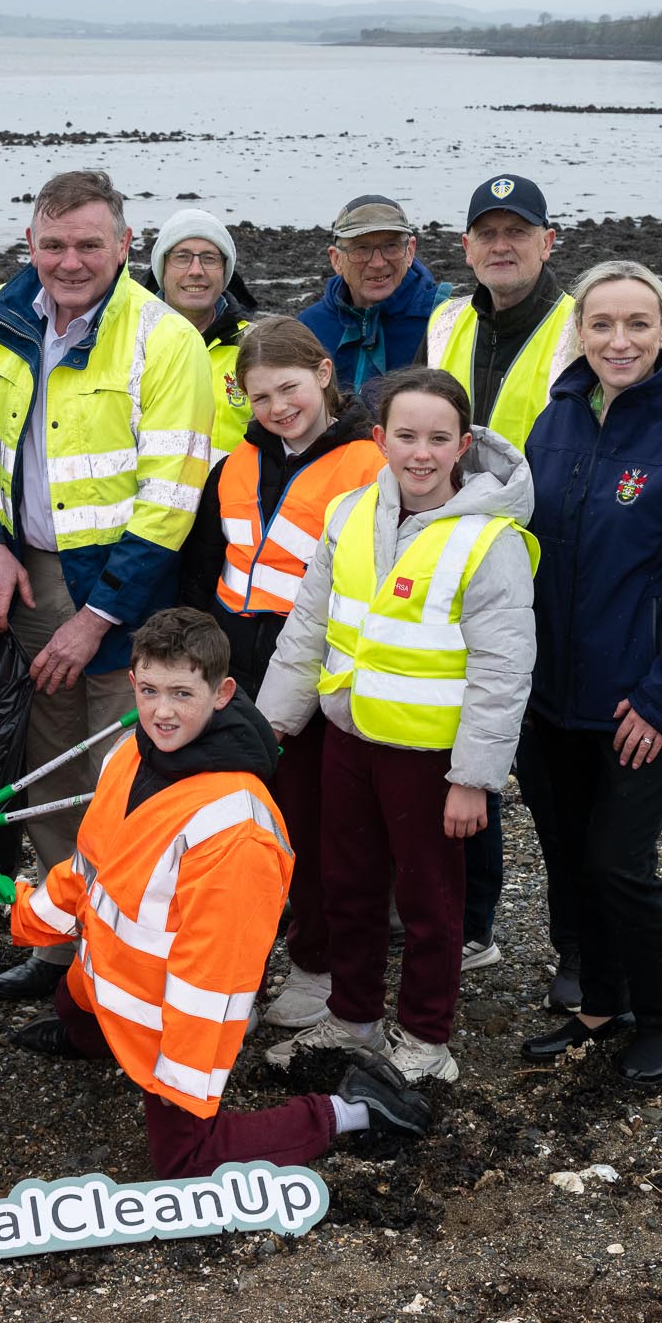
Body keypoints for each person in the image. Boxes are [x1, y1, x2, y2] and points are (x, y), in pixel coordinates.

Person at [4, 608, 432, 1176]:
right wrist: (33, 916)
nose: (161, 710)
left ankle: (352, 1111)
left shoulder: (235, 826)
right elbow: (92, 868)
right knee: (73, 1000)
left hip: (168, 1006)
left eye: (183, 693)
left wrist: (182, 1082)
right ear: (132, 683)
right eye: (150, 690)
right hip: (107, 972)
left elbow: (216, 976)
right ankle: (90, 1032)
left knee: (184, 1158)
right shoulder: (128, 755)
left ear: (223, 692)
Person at [0, 169, 215, 999]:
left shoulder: (164, 340)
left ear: (125, 247)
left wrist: (97, 618)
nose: (69, 261)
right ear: (30, 244)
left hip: (128, 596)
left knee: (123, 779)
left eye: (89, 244)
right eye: (53, 244)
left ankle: (123, 961)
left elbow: (171, 497)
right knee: (46, 771)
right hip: (29, 579)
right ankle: (62, 944)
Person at [257, 368, 536, 1084]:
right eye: (406, 435)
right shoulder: (351, 514)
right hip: (348, 742)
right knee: (346, 884)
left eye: (438, 438)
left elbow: (502, 677)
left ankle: (424, 1040)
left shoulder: (490, 541)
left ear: (463, 444)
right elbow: (309, 627)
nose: (421, 452)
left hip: (428, 757)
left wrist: (474, 779)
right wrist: (270, 728)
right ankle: (352, 1019)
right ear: (379, 439)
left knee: (428, 904)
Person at [518, 262, 662, 1086]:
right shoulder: (555, 422)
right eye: (602, 324)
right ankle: (598, 1004)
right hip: (554, 697)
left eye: (637, 324)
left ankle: (661, 1018)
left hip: (648, 699)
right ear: (578, 331)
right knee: (571, 855)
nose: (619, 341)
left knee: (621, 861)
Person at [175, 319, 383, 1033]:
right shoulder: (235, 464)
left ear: (325, 374)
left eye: (289, 388)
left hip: (316, 671)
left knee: (317, 828)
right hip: (237, 666)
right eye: (260, 396)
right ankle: (256, 946)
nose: (276, 408)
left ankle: (319, 965)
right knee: (244, 820)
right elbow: (205, 571)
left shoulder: (367, 465)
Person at [426, 174, 583, 987]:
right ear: (466, 247)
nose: (501, 244)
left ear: (547, 241)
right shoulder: (446, 318)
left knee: (554, 781)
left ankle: (576, 952)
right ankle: (471, 925)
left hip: (548, 574)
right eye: (486, 231)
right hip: (459, 572)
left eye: (517, 231)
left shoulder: (575, 326)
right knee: (466, 755)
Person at [297, 195, 447, 395]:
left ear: (410, 251)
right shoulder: (309, 328)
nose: (378, 263)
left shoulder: (443, 321)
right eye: (361, 249)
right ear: (336, 259)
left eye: (391, 246)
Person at [146, 208, 260, 457]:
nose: (196, 270)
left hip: (233, 493)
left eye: (209, 258)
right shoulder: (130, 341)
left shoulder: (256, 346)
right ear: (162, 268)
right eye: (182, 257)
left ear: (225, 271)